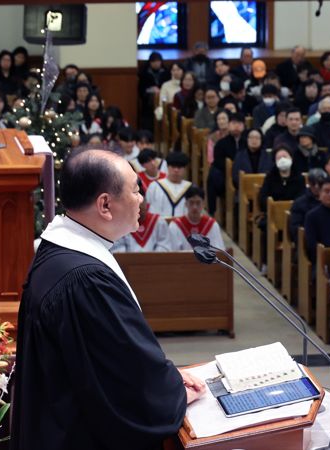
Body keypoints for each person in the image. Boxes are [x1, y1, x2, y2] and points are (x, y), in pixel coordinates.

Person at [12, 150, 205, 449]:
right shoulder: (84, 281)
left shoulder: (63, 252)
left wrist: (167, 377)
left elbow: (107, 357)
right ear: (105, 204)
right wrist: (170, 393)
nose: (141, 199)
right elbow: (127, 383)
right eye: (135, 190)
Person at [111, 184, 172, 253]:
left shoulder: (158, 222)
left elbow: (164, 246)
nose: (140, 206)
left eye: (142, 202)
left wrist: (152, 259)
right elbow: (118, 248)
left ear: (146, 203)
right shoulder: (121, 224)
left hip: (155, 262)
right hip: (128, 263)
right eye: (137, 203)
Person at [167, 186, 224, 251]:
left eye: (198, 203)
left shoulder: (212, 225)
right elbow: (172, 252)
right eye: (191, 202)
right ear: (185, 203)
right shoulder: (175, 226)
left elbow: (219, 252)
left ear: (203, 204)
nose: (195, 207)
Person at [257, 147, 306, 212]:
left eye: (285, 156)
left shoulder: (299, 178)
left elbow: (302, 198)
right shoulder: (270, 177)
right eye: (279, 157)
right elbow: (263, 198)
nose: (282, 159)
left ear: (291, 158)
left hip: (294, 213)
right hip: (273, 213)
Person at [146, 152, 192, 218]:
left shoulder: (190, 188)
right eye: (173, 166)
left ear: (185, 169)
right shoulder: (154, 186)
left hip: (181, 227)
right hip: (159, 226)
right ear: (167, 166)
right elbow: (148, 209)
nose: (176, 170)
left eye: (179, 167)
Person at [288, 168, 327, 242]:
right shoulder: (299, 203)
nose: (317, 186)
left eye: (320, 183)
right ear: (308, 183)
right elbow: (295, 229)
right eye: (313, 183)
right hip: (308, 241)